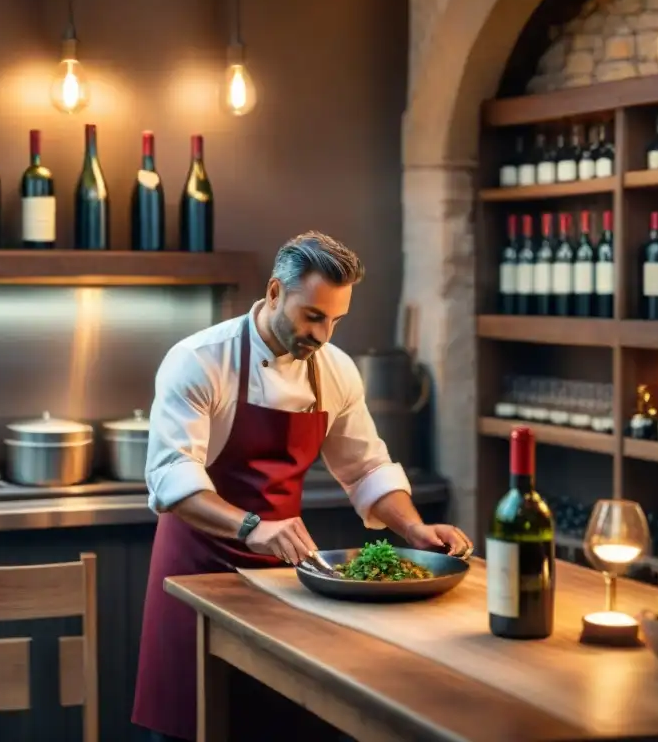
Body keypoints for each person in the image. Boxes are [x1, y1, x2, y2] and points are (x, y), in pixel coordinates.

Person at [132, 231, 473, 741]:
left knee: (279, 720)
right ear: (274, 293)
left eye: (335, 320)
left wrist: (415, 528)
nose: (324, 334)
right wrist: (250, 527)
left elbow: (365, 468)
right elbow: (171, 479)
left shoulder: (335, 370)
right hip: (195, 574)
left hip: (284, 574)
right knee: (194, 719)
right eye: (313, 316)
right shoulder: (200, 360)